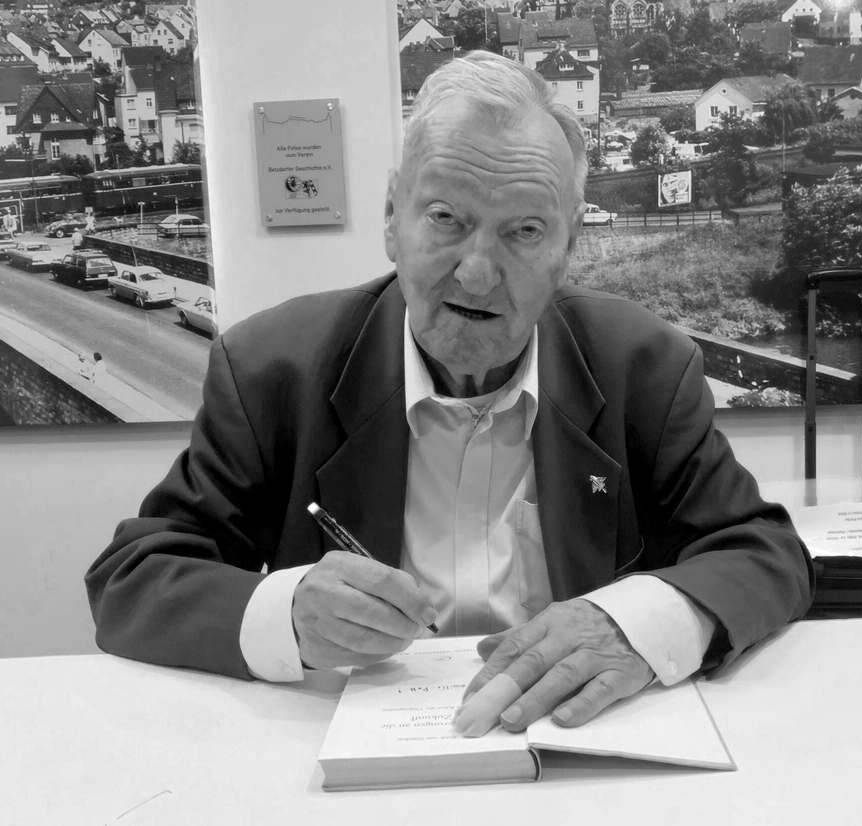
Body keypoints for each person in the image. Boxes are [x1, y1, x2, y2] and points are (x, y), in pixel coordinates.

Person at [85, 51, 812, 734]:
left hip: (573, 750)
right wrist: (288, 613)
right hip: (343, 759)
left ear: (568, 248)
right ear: (391, 219)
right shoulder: (272, 369)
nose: (476, 273)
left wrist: (633, 627)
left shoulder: (642, 367)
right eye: (445, 219)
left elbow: (765, 554)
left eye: (524, 231)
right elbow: (132, 579)